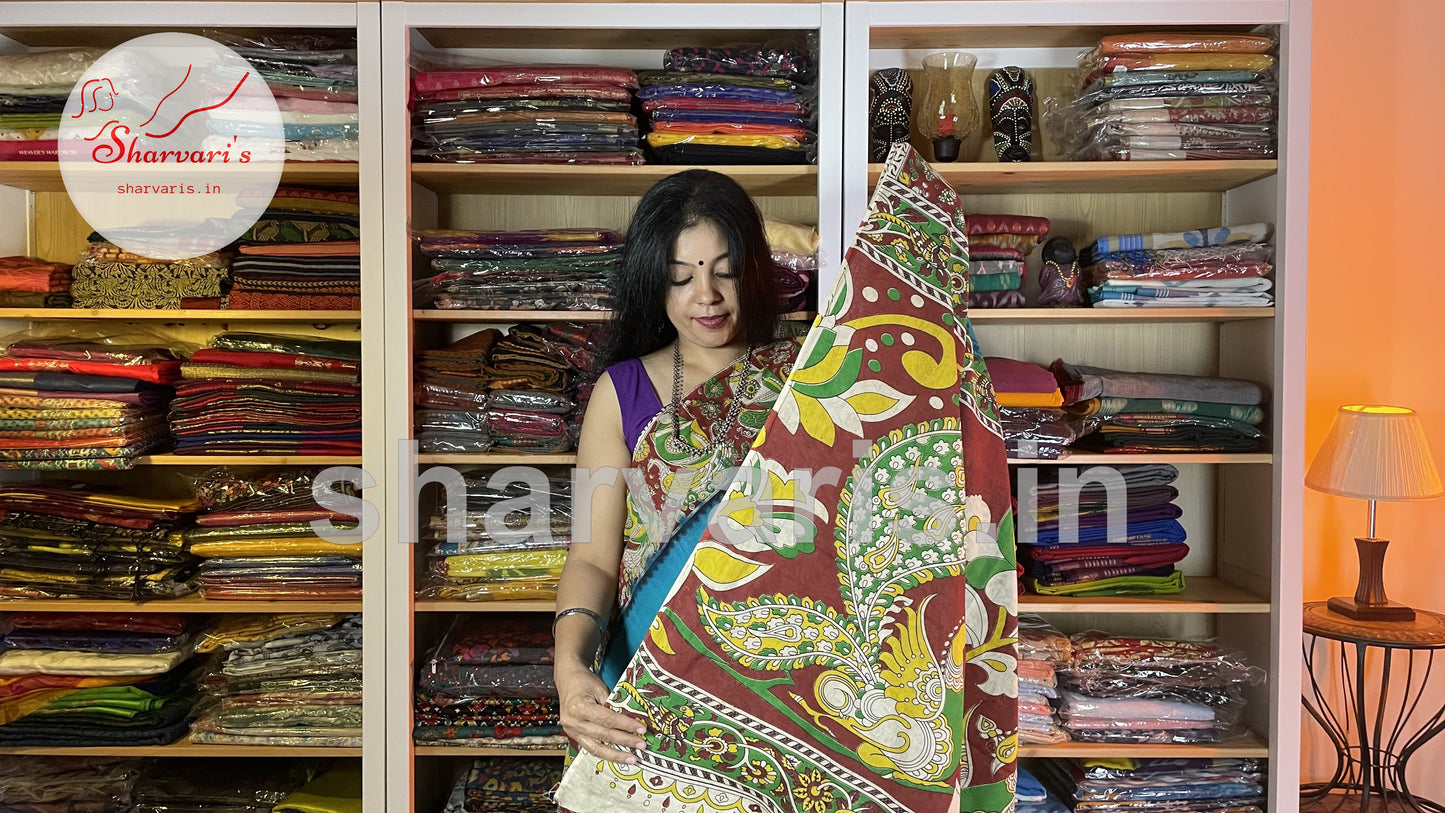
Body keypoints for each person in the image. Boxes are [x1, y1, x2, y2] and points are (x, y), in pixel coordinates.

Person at [552, 169, 800, 766]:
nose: (706, 296)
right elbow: (590, 557)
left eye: (725, 270)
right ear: (653, 284)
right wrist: (568, 666)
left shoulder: (813, 374)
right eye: (679, 277)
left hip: (793, 681)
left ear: (754, 270)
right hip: (653, 676)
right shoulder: (624, 392)